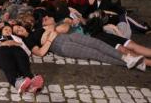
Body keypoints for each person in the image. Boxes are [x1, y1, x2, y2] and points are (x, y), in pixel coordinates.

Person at [13, 13, 146, 71]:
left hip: (67, 36)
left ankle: (127, 59)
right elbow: (40, 52)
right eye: (17, 31)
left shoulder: (36, 29)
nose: (20, 30)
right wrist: (49, 38)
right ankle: (129, 63)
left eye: (19, 27)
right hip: (60, 45)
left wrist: (51, 30)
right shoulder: (29, 40)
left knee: (98, 44)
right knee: (96, 54)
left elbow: (53, 26)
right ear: (18, 35)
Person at [0, 25, 44, 94]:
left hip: (17, 50)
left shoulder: (17, 38)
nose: (8, 31)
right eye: (6, 29)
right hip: (0, 51)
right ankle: (17, 82)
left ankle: (30, 80)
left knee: (22, 61)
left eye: (10, 30)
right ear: (1, 31)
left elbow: (27, 52)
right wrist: (1, 44)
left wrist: (17, 44)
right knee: (8, 63)